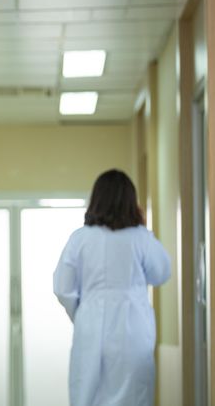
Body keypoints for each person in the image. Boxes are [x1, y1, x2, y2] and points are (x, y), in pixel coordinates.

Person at [53, 169, 171, 406]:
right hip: (133, 325)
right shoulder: (141, 238)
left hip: (91, 324)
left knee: (88, 391)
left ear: (95, 200)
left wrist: (83, 313)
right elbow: (161, 273)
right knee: (134, 393)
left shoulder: (80, 239)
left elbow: (62, 287)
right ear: (131, 202)